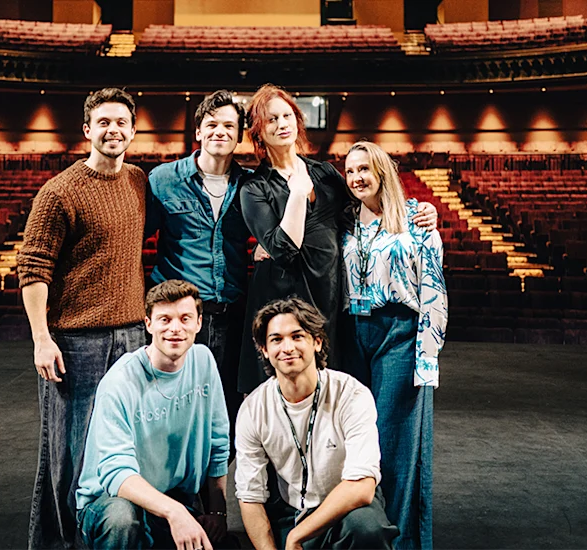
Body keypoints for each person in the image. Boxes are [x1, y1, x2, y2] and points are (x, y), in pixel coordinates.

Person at [236, 84, 439, 394]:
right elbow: (283, 249)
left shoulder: (326, 173)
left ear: (297, 120)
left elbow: (365, 212)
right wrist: (297, 194)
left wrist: (417, 211)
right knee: (284, 398)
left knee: (330, 400)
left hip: (329, 299)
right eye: (271, 119)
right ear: (258, 132)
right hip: (283, 302)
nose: (281, 124)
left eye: (286, 116)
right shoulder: (254, 189)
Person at [17, 87, 149, 549]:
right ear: (88, 129)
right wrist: (41, 338)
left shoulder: (137, 180)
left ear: (132, 131)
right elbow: (33, 267)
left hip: (133, 336)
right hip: (77, 342)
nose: (113, 130)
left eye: (121, 123)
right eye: (104, 123)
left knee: (126, 446)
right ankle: (61, 542)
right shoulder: (59, 192)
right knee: (69, 452)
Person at [340, 141, 447, 549]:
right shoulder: (345, 222)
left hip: (399, 333)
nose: (357, 178)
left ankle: (402, 542)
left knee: (395, 444)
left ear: (383, 170)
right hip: (353, 333)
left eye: (364, 169)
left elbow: (434, 293)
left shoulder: (418, 220)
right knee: (354, 442)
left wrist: (427, 356)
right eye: (350, 172)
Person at [75, 280, 232, 550]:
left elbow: (218, 443)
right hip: (110, 502)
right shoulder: (121, 382)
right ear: (148, 324)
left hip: (172, 498)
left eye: (185, 319)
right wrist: (175, 512)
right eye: (164, 319)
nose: (175, 328)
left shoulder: (203, 361)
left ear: (198, 322)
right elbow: (117, 474)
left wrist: (217, 513)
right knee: (122, 520)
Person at [235, 297, 399, 550]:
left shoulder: (350, 394)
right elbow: (250, 496)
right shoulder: (253, 409)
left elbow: (362, 487)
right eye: (276, 339)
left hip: (346, 506)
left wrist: (296, 537)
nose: (287, 347)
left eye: (297, 336)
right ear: (265, 350)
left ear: (317, 342)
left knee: (368, 529)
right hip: (291, 510)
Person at [147, 90, 254, 426]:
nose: (219, 131)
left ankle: (219, 479)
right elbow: (133, 237)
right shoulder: (163, 179)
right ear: (198, 131)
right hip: (181, 317)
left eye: (228, 126)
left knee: (227, 414)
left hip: (233, 316)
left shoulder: (251, 186)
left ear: (239, 136)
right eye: (211, 124)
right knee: (175, 413)